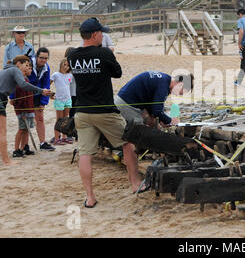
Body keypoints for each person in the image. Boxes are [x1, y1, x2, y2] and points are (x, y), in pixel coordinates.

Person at [67, 17, 143, 208]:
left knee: (85, 153)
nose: (103, 35)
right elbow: (117, 73)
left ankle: (90, 197)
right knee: (128, 142)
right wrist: (108, 56)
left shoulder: (73, 55)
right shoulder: (103, 53)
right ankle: (134, 184)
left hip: (82, 111)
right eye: (101, 32)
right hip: (104, 109)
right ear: (94, 34)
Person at [0, 55, 52, 166]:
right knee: (2, 132)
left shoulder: (5, 70)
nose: (28, 67)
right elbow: (23, 85)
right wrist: (41, 90)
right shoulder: (14, 69)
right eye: (26, 65)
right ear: (18, 63)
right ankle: (6, 160)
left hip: (3, 99)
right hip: (1, 99)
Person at [114, 71, 194, 127]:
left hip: (127, 100)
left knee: (152, 123)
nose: (178, 95)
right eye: (180, 93)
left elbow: (154, 106)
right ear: (180, 84)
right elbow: (157, 110)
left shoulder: (165, 79)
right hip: (126, 103)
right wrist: (170, 121)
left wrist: (160, 120)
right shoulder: (163, 86)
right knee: (139, 131)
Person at [28, 47, 55, 151]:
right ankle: (24, 146)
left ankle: (42, 143)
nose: (43, 60)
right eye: (41, 58)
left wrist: (43, 102)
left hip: (38, 96)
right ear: (36, 56)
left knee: (40, 118)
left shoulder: (46, 67)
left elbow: (46, 84)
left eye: (46, 58)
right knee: (26, 120)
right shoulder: (28, 64)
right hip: (26, 95)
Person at [11, 61, 36, 158]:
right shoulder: (20, 81)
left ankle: (25, 147)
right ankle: (16, 149)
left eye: (31, 67)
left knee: (27, 129)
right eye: (28, 67)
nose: (30, 69)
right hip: (23, 111)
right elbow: (20, 98)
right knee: (21, 129)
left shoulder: (27, 80)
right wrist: (22, 111)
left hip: (29, 109)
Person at [50, 58, 74, 145]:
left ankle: (64, 138)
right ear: (61, 64)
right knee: (59, 120)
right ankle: (56, 138)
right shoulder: (56, 75)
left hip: (68, 99)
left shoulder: (70, 76)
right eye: (64, 65)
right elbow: (48, 84)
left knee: (65, 119)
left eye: (68, 66)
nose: (66, 67)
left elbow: (68, 86)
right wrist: (50, 94)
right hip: (59, 99)